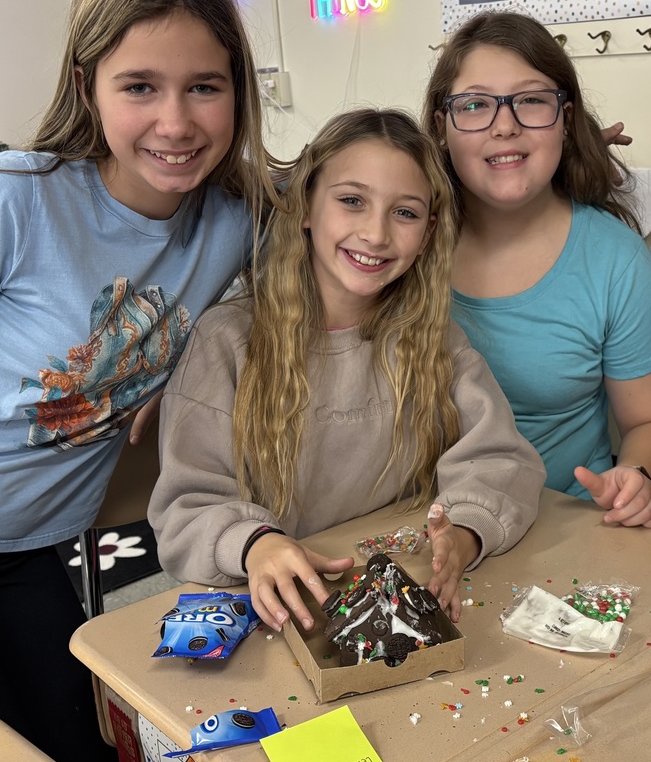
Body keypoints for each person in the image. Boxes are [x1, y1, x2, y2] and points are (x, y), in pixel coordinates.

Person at [0, 0, 281, 762]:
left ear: (239, 89)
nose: (176, 122)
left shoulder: (236, 217)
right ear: (88, 84)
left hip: (28, 549)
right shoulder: (15, 199)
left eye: (204, 85)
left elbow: (356, 214)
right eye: (139, 87)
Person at [149, 108, 546, 632]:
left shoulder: (434, 339)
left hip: (401, 603)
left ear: (428, 234)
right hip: (273, 615)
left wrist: (465, 532)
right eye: (352, 201)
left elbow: (501, 460)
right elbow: (186, 506)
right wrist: (256, 544)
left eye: (404, 213)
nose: (376, 234)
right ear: (307, 206)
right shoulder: (226, 341)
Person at [422, 10, 651, 530]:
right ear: (442, 128)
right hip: (413, 523)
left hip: (560, 532)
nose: (505, 125)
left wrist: (636, 477)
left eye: (531, 101)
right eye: (474, 104)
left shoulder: (616, 261)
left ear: (565, 120)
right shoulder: (402, 243)